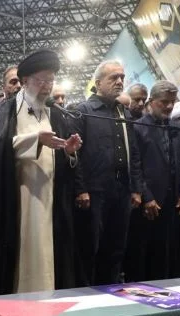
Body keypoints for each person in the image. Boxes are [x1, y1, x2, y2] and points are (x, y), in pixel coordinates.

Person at [0, 50, 81, 293]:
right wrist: (36, 140)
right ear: (25, 81)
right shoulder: (5, 111)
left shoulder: (56, 114)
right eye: (42, 80)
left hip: (51, 196)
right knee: (23, 249)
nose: (47, 87)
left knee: (51, 248)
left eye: (51, 80)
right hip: (20, 194)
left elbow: (66, 158)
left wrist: (69, 152)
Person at [69, 60, 142, 286]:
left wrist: (136, 188)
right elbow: (74, 154)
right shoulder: (83, 111)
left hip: (122, 190)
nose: (119, 81)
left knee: (116, 247)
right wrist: (81, 189)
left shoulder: (123, 112)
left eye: (122, 77)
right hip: (94, 191)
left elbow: (134, 153)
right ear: (98, 82)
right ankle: (86, 293)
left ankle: (110, 291)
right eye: (113, 77)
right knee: (91, 247)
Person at [124, 80, 180, 282]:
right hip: (148, 203)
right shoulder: (137, 128)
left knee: (164, 254)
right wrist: (147, 197)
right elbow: (135, 166)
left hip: (172, 202)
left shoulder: (177, 128)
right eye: (164, 102)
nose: (169, 106)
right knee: (141, 254)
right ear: (151, 102)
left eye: (172, 102)